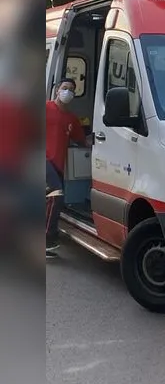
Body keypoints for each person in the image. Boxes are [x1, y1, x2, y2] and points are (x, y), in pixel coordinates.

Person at [46, 78, 89, 259]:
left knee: (50, 201)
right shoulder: (45, 108)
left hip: (58, 165)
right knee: (57, 196)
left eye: (71, 89)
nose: (67, 92)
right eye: (64, 88)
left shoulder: (72, 119)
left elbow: (81, 140)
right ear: (57, 90)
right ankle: (48, 240)